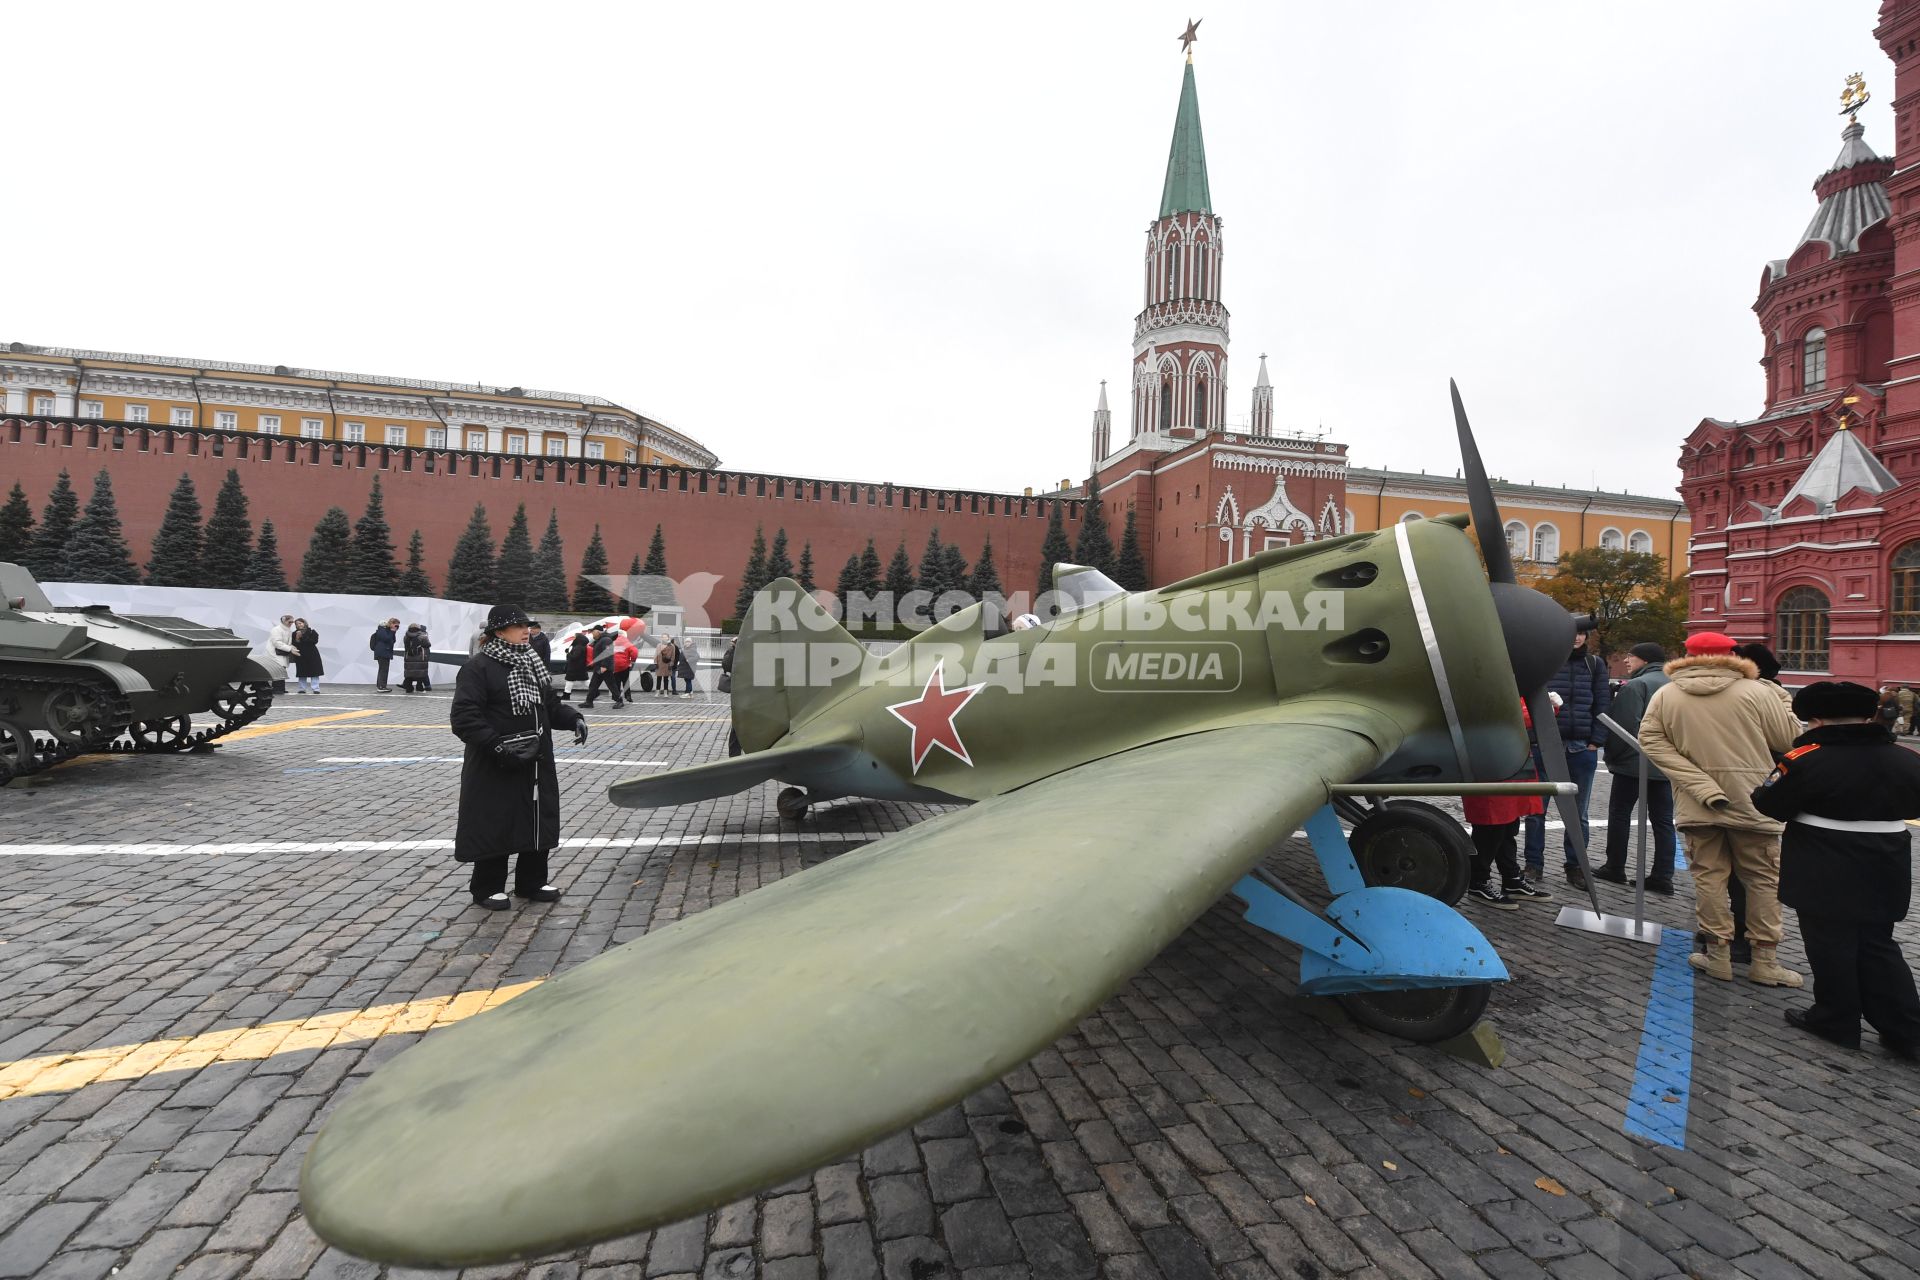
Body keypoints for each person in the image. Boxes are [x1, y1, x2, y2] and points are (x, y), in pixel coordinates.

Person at [1752, 680, 1920, 1059]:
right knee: (1878, 943)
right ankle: (1906, 1030)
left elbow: (1768, 804)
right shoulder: (1907, 757)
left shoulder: (1806, 759)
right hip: (1887, 857)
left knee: (1830, 941)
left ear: (1816, 719)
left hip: (1823, 858)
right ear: (1868, 716)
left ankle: (1835, 1019)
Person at [1638, 631, 1803, 985]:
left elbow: (1650, 741)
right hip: (1754, 800)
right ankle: (1765, 962)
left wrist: (1700, 785)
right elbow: (1789, 741)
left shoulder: (1667, 693)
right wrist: (1780, 698)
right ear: (1732, 654)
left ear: (1687, 655)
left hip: (1698, 803)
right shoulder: (1759, 692)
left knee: (1709, 879)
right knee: (1761, 880)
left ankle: (1717, 956)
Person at [451, 604, 586, 911]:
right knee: (496, 818)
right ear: (499, 632)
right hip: (495, 760)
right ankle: (487, 886)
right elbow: (464, 717)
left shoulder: (532, 662)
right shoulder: (479, 668)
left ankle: (532, 881)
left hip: (535, 759)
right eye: (518, 626)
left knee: (537, 815)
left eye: (527, 625)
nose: (526, 630)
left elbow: (549, 705)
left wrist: (573, 717)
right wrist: (497, 747)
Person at [1523, 624, 1612, 887]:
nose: (1576, 637)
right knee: (1536, 812)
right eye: (1572, 632)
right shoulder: (1545, 662)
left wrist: (1596, 741)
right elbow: (1526, 699)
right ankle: (1533, 865)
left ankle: (1575, 866)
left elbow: (1602, 704)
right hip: (1545, 745)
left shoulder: (1594, 664)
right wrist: (1534, 737)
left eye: (1582, 633)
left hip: (1580, 747)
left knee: (1578, 814)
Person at [1597, 642, 1678, 895]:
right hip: (1666, 764)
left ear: (1643, 659)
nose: (1627, 661)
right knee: (1664, 821)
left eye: (1631, 656)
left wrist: (1615, 757)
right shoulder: (1676, 685)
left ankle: (1615, 866)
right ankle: (1663, 876)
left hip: (1634, 763)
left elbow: (1623, 728)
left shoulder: (1636, 686)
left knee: (1620, 814)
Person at [1466, 701, 1555, 909]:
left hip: (1507, 759)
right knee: (1491, 828)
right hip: (1492, 762)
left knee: (1507, 826)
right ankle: (1479, 880)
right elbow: (1502, 714)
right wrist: (1540, 709)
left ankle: (1511, 878)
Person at [581, 626, 621, 709]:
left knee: (611, 685)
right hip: (599, 667)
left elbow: (608, 653)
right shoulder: (600, 640)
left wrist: (604, 666)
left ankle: (619, 701)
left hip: (604, 668)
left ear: (598, 631)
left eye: (593, 632)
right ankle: (589, 702)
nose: (592, 634)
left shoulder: (606, 640)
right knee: (593, 685)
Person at [292, 618, 324, 695]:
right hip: (301, 655)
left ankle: (316, 688)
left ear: (304, 623)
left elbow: (313, 641)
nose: (299, 625)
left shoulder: (312, 632)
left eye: (300, 623)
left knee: (315, 672)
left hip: (313, 654)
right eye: (297, 624)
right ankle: (302, 689)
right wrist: (297, 638)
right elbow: (294, 644)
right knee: (302, 672)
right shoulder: (294, 633)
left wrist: (302, 636)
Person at [266, 614, 295, 694]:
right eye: (290, 621)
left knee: (282, 670)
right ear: (284, 621)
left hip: (282, 653)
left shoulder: (288, 630)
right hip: (275, 653)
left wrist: (291, 648)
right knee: (278, 670)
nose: (291, 623)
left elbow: (287, 642)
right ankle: (277, 689)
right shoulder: (276, 630)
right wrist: (290, 649)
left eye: (292, 621)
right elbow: (277, 643)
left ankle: (281, 688)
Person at [368, 617, 399, 692]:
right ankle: (381, 686)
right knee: (383, 669)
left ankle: (380, 686)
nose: (397, 627)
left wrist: (393, 632)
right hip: (383, 652)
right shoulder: (382, 630)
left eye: (398, 626)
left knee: (383, 669)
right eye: (396, 625)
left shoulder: (387, 630)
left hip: (385, 652)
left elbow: (393, 641)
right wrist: (392, 632)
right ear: (391, 624)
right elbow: (386, 638)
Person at [562, 627, 591, 701]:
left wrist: (568, 653)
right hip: (579, 667)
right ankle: (594, 691)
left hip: (575, 667)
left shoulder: (578, 647)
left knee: (571, 680)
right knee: (582, 680)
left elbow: (574, 657)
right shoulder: (580, 646)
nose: (573, 638)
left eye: (574, 637)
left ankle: (566, 695)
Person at [402, 624, 431, 694]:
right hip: (420, 657)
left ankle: (409, 689)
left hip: (409, 657)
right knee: (420, 672)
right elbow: (428, 644)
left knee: (409, 673)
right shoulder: (422, 636)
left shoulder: (406, 636)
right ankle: (419, 688)